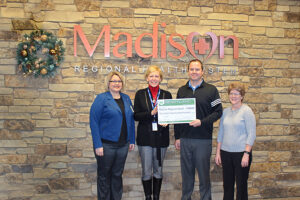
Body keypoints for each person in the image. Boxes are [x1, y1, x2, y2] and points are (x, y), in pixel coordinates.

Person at [174, 59, 223, 200]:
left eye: (197, 69)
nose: (194, 72)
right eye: (191, 69)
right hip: (185, 139)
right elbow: (178, 115)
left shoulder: (211, 90)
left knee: (203, 175)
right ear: (188, 71)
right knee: (187, 175)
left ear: (202, 71)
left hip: (203, 140)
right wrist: (177, 137)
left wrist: (201, 122)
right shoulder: (181, 90)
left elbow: (218, 112)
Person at [90, 71, 135, 200]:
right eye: (113, 81)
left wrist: (132, 139)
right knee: (104, 177)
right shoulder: (102, 98)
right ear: (108, 83)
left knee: (117, 175)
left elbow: (131, 120)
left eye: (119, 81)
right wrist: (97, 145)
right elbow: (93, 122)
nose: (116, 83)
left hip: (123, 145)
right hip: (106, 145)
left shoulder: (126, 98)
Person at [134, 66, 172, 200]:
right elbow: (136, 116)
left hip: (161, 137)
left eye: (156, 76)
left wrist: (168, 120)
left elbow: (170, 114)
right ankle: (148, 197)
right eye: (151, 76)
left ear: (160, 78)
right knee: (146, 170)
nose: (154, 79)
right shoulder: (140, 94)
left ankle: (156, 197)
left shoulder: (167, 95)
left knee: (158, 170)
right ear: (146, 78)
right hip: (145, 138)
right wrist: (151, 113)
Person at [215, 82, 256, 200]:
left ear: (242, 96)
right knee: (227, 185)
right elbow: (221, 133)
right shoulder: (225, 112)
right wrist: (218, 153)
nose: (233, 96)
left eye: (237, 94)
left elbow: (251, 134)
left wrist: (246, 154)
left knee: (241, 186)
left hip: (241, 154)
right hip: (225, 153)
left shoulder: (247, 111)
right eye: (231, 93)